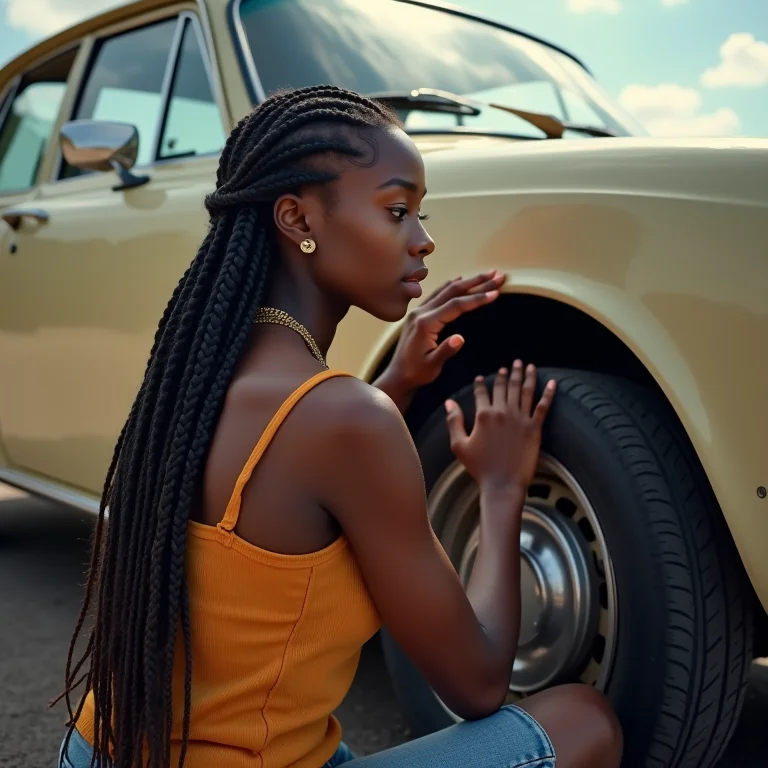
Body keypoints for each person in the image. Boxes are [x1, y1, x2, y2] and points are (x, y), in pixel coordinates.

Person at [56, 85, 622, 768]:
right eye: (396, 210)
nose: (424, 239)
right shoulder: (345, 420)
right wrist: (501, 491)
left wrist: (397, 384)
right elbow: (477, 683)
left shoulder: (196, 380)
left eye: (421, 213)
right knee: (584, 720)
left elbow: (284, 479)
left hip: (95, 752)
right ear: (296, 218)